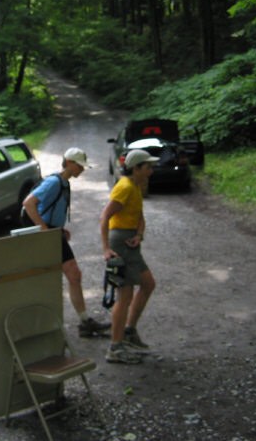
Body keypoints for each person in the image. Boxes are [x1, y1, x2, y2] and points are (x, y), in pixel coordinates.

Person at [22, 147, 111, 338]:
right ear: (69, 163)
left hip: (54, 234)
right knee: (57, 277)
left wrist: (59, 229)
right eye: (80, 166)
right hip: (45, 236)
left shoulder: (64, 183)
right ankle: (40, 326)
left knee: (74, 275)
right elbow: (28, 203)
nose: (82, 169)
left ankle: (85, 322)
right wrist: (44, 229)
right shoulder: (54, 182)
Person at [100, 149, 158, 364]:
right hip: (119, 243)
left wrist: (140, 235)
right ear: (136, 168)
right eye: (148, 167)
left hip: (131, 241)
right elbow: (104, 216)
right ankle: (115, 348)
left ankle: (129, 332)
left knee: (148, 284)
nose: (151, 170)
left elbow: (140, 217)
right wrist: (106, 248)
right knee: (124, 295)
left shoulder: (136, 186)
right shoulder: (124, 187)